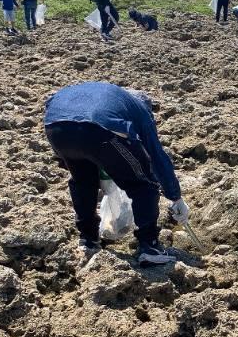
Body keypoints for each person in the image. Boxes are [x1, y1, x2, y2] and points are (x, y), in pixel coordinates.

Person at [44, 82, 190, 265]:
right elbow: (156, 155)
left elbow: (50, 103)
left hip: (55, 126)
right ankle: (150, 246)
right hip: (98, 128)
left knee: (83, 181)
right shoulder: (140, 110)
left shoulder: (107, 95)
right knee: (144, 184)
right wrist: (175, 196)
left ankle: (88, 241)